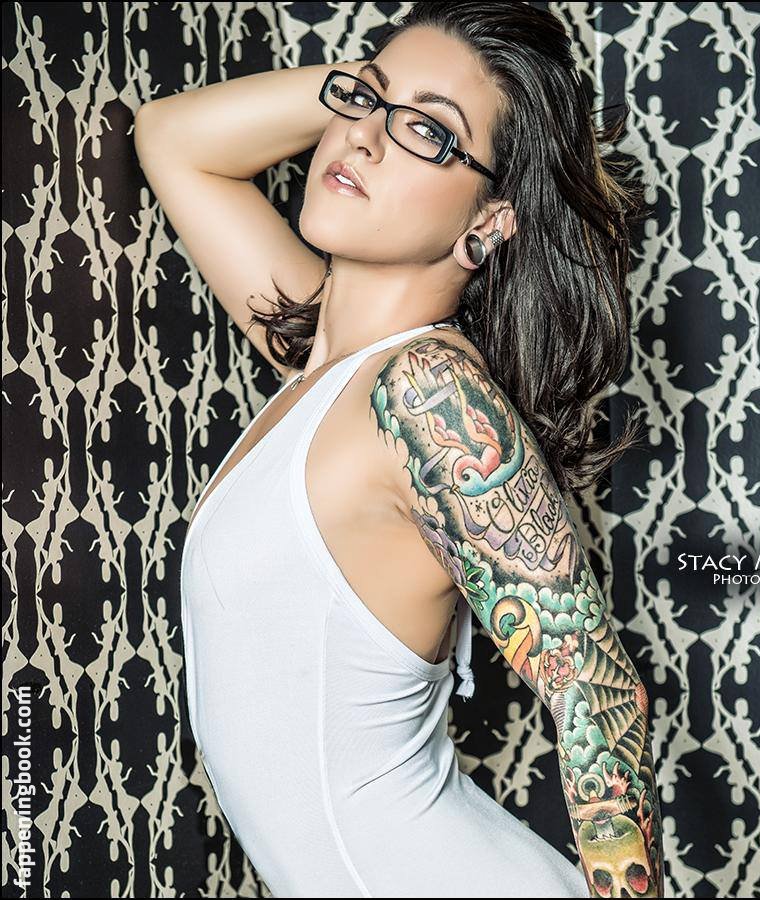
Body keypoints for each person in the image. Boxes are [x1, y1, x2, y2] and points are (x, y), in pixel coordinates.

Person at [135, 2, 664, 896]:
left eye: (428, 132)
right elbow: (173, 138)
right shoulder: (323, 368)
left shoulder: (426, 395)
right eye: (363, 102)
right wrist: (377, 95)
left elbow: (597, 696)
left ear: (490, 223)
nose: (364, 138)